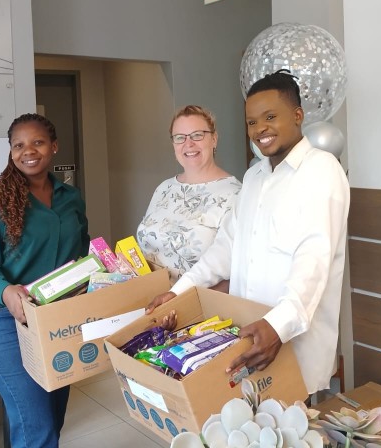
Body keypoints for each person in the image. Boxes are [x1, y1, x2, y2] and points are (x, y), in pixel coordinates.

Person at [146, 70, 350, 395]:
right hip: (247, 337)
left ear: (297, 115)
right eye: (252, 122)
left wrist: (277, 326)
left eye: (270, 117)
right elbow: (226, 247)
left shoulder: (320, 170)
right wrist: (179, 291)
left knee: (296, 420)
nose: (260, 129)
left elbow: (313, 261)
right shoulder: (254, 178)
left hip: (291, 342)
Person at [0, 113, 89, 448]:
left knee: (52, 418)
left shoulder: (70, 197)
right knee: (37, 427)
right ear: (11, 152)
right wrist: (6, 291)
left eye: (37, 142)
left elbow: (81, 251)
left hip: (54, 319)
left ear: (54, 146)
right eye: (18, 145)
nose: (28, 151)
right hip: (3, 320)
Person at [136, 105, 241, 283]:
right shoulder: (164, 188)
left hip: (197, 298)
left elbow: (237, 272)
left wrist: (179, 296)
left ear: (214, 139)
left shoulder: (235, 194)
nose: (189, 143)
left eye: (197, 135)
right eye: (180, 137)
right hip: (148, 294)